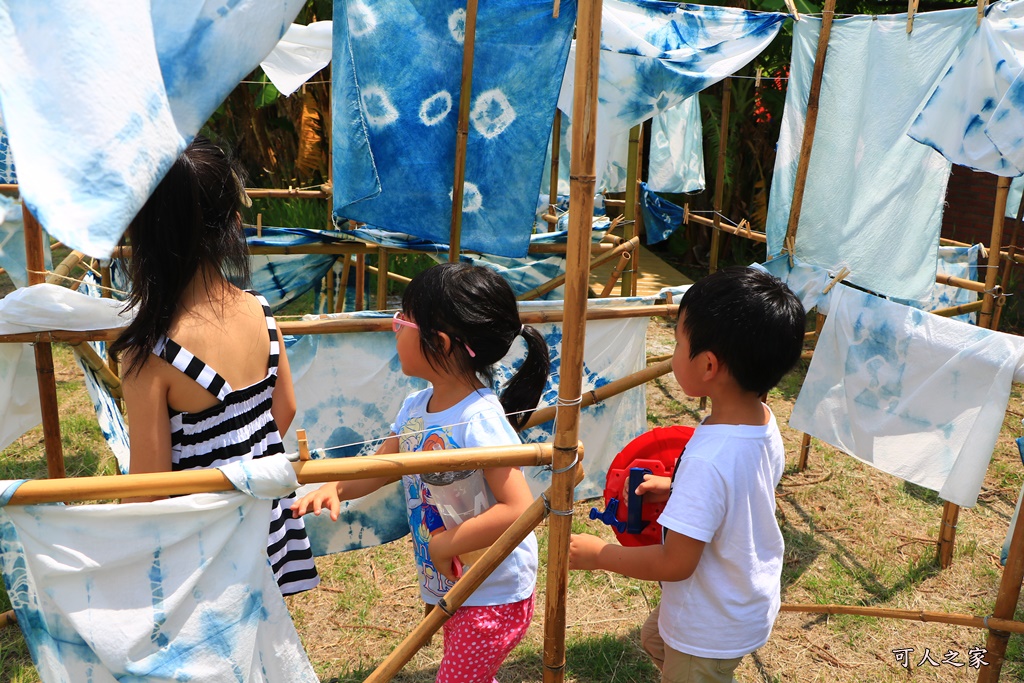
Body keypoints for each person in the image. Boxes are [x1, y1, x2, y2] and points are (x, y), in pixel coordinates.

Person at [293, 262, 550, 683]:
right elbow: (384, 465)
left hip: (492, 588)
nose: (395, 329)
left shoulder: (477, 420)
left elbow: (519, 509)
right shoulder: (416, 408)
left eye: (403, 321)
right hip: (455, 578)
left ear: (441, 343)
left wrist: (445, 545)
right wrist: (336, 486)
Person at [568, 266, 805, 683]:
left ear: (709, 365)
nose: (674, 351)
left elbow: (675, 561)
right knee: (655, 639)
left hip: (708, 626)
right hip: (740, 596)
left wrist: (599, 556)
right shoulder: (762, 421)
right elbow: (740, 486)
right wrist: (676, 489)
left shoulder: (709, 459)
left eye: (678, 340)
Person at [110, 136, 319, 596]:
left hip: (202, 555)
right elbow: (282, 411)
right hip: (265, 530)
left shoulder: (151, 355)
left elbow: (150, 489)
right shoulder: (262, 312)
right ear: (234, 222)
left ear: (143, 232)